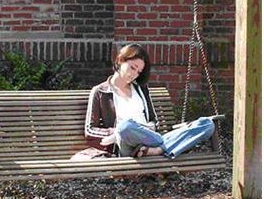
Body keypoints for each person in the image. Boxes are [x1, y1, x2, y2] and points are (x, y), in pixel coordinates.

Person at [83, 43, 216, 159]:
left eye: (139, 72)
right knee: (126, 127)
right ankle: (162, 146)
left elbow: (154, 121)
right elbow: (89, 130)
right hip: (126, 143)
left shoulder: (141, 89)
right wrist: (115, 132)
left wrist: (150, 127)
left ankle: (157, 150)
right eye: (132, 67)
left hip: (149, 138)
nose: (134, 74)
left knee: (207, 124)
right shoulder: (100, 92)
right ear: (120, 61)